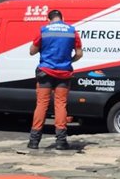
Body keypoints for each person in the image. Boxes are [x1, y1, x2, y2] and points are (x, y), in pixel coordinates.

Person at [28, 10, 83, 150]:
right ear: (62, 18)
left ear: (49, 19)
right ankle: (61, 141)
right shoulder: (71, 31)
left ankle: (34, 141)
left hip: (45, 72)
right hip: (64, 73)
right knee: (60, 105)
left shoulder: (44, 30)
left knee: (42, 104)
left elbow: (32, 51)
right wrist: (69, 60)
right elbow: (79, 54)